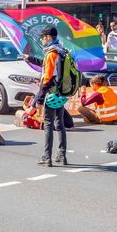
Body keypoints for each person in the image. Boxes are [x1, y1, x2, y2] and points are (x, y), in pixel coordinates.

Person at [25, 26, 68, 167]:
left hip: (51, 93)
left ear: (48, 37)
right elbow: (50, 67)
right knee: (59, 123)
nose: (41, 40)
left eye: (42, 37)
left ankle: (47, 156)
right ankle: (62, 154)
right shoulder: (62, 51)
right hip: (62, 92)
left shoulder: (51, 53)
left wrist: (40, 98)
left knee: (48, 124)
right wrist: (30, 59)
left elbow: (48, 77)